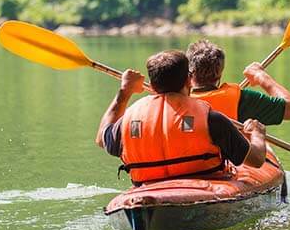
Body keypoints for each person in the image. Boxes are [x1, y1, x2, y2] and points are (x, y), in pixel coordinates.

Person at [96, 50, 266, 184]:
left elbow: (101, 138)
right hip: (205, 186)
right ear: (189, 80)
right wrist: (257, 134)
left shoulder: (129, 120)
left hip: (147, 189)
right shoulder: (211, 119)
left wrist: (125, 92)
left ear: (153, 85)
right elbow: (256, 160)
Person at [186, 39, 290, 124]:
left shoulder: (172, 103)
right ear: (219, 73)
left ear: (189, 72)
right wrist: (260, 76)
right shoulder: (241, 101)